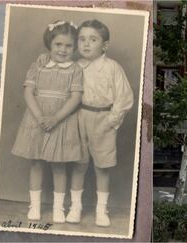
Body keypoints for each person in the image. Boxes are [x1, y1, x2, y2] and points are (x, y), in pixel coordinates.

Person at [11, 20, 83, 223]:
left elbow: (75, 98)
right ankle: (34, 206)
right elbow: (28, 92)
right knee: (36, 162)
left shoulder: (75, 70)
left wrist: (56, 118)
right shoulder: (39, 64)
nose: (63, 50)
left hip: (61, 119)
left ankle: (58, 208)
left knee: (59, 166)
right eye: (58, 45)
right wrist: (40, 117)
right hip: (36, 118)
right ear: (50, 44)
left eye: (68, 46)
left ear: (75, 47)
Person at [65, 19, 133, 227]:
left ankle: (101, 210)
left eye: (92, 39)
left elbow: (124, 97)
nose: (86, 44)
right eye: (82, 39)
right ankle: (75, 207)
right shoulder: (75, 67)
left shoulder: (112, 68)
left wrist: (111, 121)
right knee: (78, 164)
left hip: (103, 120)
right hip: (79, 117)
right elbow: (66, 95)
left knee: (102, 168)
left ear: (104, 45)